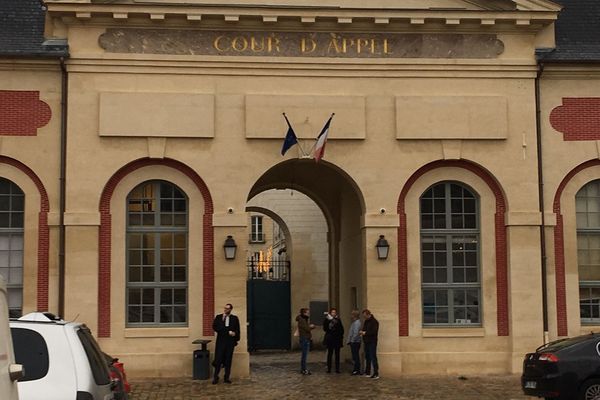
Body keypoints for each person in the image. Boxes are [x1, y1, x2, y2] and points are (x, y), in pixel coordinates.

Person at [212, 303, 240, 384]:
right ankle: (215, 377)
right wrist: (223, 321)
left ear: (231, 309)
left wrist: (234, 334)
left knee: (228, 359)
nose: (225, 310)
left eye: (227, 308)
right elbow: (214, 327)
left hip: (230, 341)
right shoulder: (219, 317)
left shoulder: (234, 318)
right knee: (218, 359)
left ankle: (226, 377)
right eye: (225, 308)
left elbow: (237, 329)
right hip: (221, 341)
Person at [323, 307, 344, 373]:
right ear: (330, 313)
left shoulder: (338, 320)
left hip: (337, 339)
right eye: (332, 312)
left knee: (337, 354)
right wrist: (329, 321)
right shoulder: (327, 320)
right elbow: (325, 328)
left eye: (334, 312)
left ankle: (337, 369)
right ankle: (329, 368)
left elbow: (341, 329)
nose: (333, 313)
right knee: (330, 354)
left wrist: (333, 320)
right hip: (330, 339)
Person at [360, 309, 379, 380]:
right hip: (366, 341)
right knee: (367, 357)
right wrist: (362, 332)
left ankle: (376, 373)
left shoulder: (375, 322)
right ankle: (367, 372)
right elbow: (365, 329)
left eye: (365, 316)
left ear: (368, 314)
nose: (364, 317)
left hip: (372, 341)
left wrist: (365, 333)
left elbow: (374, 332)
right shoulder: (366, 321)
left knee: (373, 357)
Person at [296, 307, 315, 375]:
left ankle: (304, 369)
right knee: (304, 355)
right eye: (307, 313)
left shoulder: (304, 319)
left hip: (305, 338)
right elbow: (307, 329)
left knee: (304, 355)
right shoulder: (302, 320)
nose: (309, 314)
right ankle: (303, 369)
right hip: (304, 339)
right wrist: (312, 326)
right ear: (304, 313)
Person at [347, 309, 362, 375]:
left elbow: (355, 333)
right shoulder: (355, 322)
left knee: (355, 356)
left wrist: (352, 341)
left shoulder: (357, 323)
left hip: (355, 342)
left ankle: (357, 370)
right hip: (354, 342)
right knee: (355, 356)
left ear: (354, 315)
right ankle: (356, 369)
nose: (351, 316)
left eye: (352, 314)